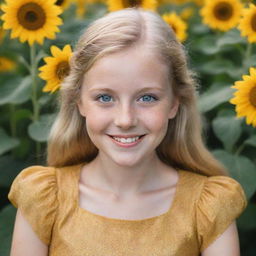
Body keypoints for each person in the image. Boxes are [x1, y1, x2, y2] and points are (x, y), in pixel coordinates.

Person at [8, 7, 247, 256]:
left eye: (146, 97)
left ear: (175, 103)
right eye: (104, 97)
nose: (125, 120)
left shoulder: (207, 207)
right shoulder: (45, 200)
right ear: (78, 101)